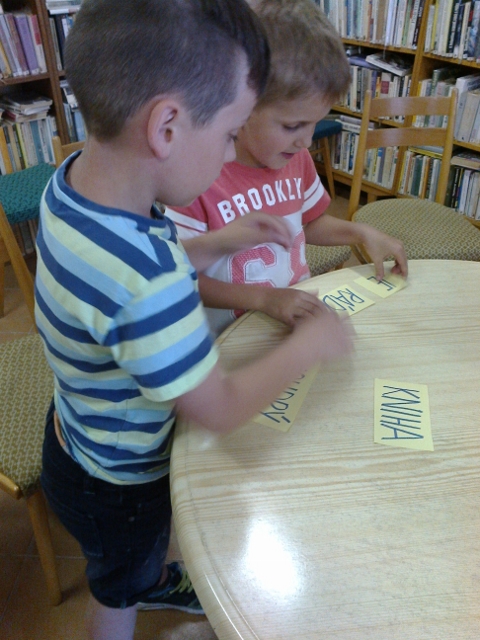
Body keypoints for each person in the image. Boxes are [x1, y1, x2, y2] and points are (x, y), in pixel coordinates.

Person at [35, 2, 354, 639]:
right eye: (232, 133)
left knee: (136, 564)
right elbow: (219, 408)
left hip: (78, 435)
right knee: (119, 588)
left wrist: (217, 242)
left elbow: (135, 275)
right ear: (167, 128)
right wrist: (311, 344)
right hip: (121, 479)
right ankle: (140, 590)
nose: (233, 150)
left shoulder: (74, 187)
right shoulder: (147, 280)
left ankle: (154, 575)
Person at [166, 0, 408, 336]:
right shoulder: (194, 179)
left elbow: (309, 223)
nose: (306, 141)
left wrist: (361, 233)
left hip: (287, 324)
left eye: (315, 123)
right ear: (241, 106)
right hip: (230, 341)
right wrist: (264, 299)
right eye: (293, 126)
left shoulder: (296, 158)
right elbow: (177, 276)